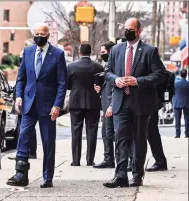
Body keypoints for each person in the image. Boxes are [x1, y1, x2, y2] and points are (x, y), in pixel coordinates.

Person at [103, 18, 165, 188]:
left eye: (130, 29)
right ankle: (120, 175)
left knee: (138, 140)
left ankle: (137, 175)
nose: (127, 32)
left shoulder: (150, 51)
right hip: (120, 101)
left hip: (141, 102)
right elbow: (107, 72)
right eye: (125, 29)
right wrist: (116, 80)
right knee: (120, 138)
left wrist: (137, 81)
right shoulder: (116, 49)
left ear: (139, 31)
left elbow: (160, 74)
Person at [6, 23, 67, 188]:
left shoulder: (58, 54)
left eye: (42, 33)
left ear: (48, 36)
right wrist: (18, 96)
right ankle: (21, 173)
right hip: (28, 103)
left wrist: (57, 105)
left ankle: (48, 177)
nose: (39, 36)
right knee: (24, 136)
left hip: (48, 106)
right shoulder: (28, 51)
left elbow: (62, 83)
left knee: (48, 142)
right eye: (36, 33)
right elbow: (21, 78)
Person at [67, 43, 104, 166]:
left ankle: (76, 160)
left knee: (75, 131)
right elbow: (102, 85)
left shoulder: (71, 66)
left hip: (76, 102)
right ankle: (90, 160)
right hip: (93, 102)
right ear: (90, 51)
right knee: (92, 131)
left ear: (79, 52)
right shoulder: (98, 67)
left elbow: (67, 85)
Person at [145, 70, 175, 172]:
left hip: (149, 103)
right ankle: (159, 160)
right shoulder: (163, 72)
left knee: (151, 131)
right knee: (150, 131)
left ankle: (160, 161)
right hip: (151, 103)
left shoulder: (155, 68)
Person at [93, 41, 116, 169]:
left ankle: (125, 159)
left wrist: (112, 105)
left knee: (113, 133)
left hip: (112, 106)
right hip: (106, 104)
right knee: (106, 133)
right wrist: (100, 87)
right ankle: (109, 158)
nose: (101, 55)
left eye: (103, 52)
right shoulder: (107, 65)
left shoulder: (115, 66)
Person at [173, 69, 189, 138]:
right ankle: (187, 134)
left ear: (180, 74)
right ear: (186, 75)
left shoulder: (175, 83)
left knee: (177, 120)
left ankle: (177, 134)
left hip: (177, 103)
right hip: (186, 103)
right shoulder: (188, 83)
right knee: (187, 119)